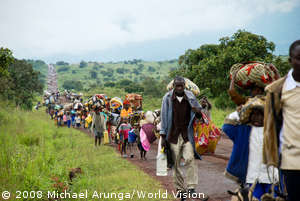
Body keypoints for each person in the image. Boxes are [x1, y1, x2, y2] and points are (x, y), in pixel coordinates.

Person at [263, 40, 300, 201]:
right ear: (290, 60)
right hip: (292, 160)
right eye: (299, 58)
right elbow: (270, 125)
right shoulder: (276, 90)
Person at [222, 97, 279, 201]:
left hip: (272, 176)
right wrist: (238, 112)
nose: (257, 117)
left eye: (260, 114)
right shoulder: (243, 130)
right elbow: (226, 127)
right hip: (252, 176)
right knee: (254, 197)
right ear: (248, 116)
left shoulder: (273, 130)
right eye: (253, 114)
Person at [160, 76, 206, 200]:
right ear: (174, 86)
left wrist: (199, 110)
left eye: (181, 85)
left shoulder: (191, 96)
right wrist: (163, 137)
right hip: (173, 135)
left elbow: (199, 116)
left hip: (187, 135)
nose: (179, 88)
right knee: (175, 164)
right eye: (177, 85)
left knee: (190, 159)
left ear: (184, 86)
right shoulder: (167, 98)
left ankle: (191, 188)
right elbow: (164, 117)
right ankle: (180, 190)